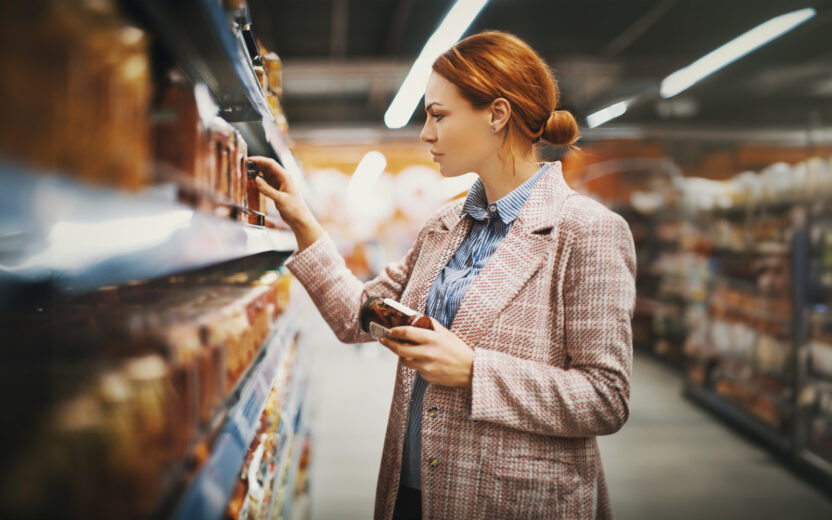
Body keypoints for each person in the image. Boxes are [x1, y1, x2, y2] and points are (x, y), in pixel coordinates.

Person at [250, 30, 636, 520]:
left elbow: (605, 399)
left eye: (438, 115)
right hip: (414, 492)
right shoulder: (444, 225)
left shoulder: (587, 231)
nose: (425, 134)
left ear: (497, 114)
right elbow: (359, 316)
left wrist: (475, 372)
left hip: (512, 502)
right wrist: (302, 221)